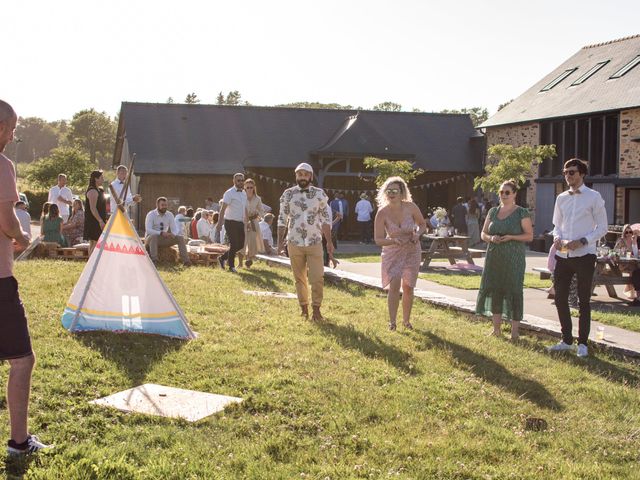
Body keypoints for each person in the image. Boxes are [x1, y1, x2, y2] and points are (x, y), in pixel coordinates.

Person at [0, 99, 52, 455]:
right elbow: (6, 221)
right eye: (13, 127)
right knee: (22, 359)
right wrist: (22, 234)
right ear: (1, 127)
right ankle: (19, 442)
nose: (14, 134)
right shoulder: (3, 166)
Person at [547, 159, 608, 358]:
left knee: (583, 300)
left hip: (584, 255)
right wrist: (556, 237)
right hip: (563, 255)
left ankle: (582, 343)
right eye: (565, 172)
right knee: (560, 298)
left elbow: (602, 228)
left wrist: (583, 240)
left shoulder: (594, 197)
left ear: (582, 174)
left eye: (572, 172)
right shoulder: (561, 198)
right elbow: (557, 225)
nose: (568, 176)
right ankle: (566, 340)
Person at [476, 180, 533, 340]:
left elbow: (529, 236)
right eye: (501, 192)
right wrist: (491, 238)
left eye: (507, 192)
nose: (504, 195)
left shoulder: (521, 212)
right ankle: (496, 329)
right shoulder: (493, 212)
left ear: (515, 194)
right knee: (495, 289)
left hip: (514, 257)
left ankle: (514, 332)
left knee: (514, 289)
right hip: (494, 255)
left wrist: (511, 237)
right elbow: (483, 233)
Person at [277, 163, 334, 321]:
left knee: (317, 277)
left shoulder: (319, 194)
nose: (302, 177)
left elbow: (326, 220)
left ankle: (316, 309)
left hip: (315, 241)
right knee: (299, 278)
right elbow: (282, 219)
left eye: (305, 174)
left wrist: (329, 242)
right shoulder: (288, 194)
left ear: (310, 176)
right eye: (299, 174)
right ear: (296, 176)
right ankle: (304, 308)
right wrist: (279, 242)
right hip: (294, 242)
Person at [374, 176, 427, 331]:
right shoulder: (382, 213)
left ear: (401, 192)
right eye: (388, 191)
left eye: (395, 191)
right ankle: (392, 322)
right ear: (385, 193)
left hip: (412, 249)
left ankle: (406, 321)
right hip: (393, 250)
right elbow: (378, 240)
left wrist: (418, 233)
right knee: (395, 286)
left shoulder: (410, 207)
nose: (391, 194)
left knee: (409, 286)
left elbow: (422, 224)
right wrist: (392, 241)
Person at [144, 197, 191, 266]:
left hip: (163, 238)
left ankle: (186, 261)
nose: (164, 207)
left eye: (166, 205)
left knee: (180, 238)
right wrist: (160, 233)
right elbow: (148, 230)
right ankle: (154, 260)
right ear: (157, 205)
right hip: (151, 239)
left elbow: (175, 229)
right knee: (154, 236)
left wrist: (173, 234)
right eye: (162, 205)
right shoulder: (151, 214)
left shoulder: (170, 215)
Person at [216, 173, 247, 273]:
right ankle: (231, 266)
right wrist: (219, 224)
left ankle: (222, 258)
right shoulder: (229, 193)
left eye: (242, 180)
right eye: (239, 180)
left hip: (240, 222)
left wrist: (247, 222)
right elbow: (222, 209)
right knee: (234, 244)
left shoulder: (244, 193)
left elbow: (244, 209)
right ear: (234, 181)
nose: (241, 182)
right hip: (230, 222)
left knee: (241, 245)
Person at [613, 224, 640, 304]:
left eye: (630, 232)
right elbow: (615, 251)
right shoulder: (620, 240)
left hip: (631, 263)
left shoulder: (634, 241)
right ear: (624, 233)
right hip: (622, 263)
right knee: (635, 271)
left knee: (636, 270)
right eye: (626, 232)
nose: (628, 234)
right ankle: (635, 294)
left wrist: (634, 242)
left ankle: (635, 294)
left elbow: (635, 254)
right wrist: (622, 253)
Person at [242, 178, 265, 268]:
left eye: (251, 187)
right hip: (243, 221)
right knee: (243, 241)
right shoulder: (242, 197)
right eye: (247, 187)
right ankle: (241, 259)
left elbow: (262, 211)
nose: (249, 189)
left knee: (252, 241)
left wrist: (257, 214)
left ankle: (249, 260)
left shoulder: (257, 198)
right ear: (245, 188)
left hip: (253, 222)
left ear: (254, 188)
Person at [83, 170, 107, 255]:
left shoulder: (100, 190)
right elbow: (93, 208)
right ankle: (91, 263)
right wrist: (100, 221)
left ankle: (92, 264)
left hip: (99, 219)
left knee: (96, 242)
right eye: (101, 178)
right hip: (94, 221)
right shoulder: (92, 191)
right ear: (96, 179)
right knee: (94, 242)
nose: (103, 180)